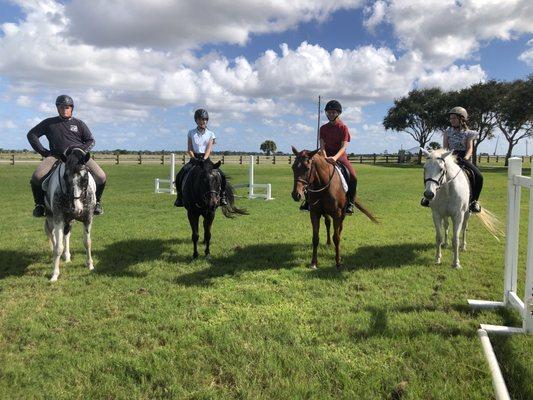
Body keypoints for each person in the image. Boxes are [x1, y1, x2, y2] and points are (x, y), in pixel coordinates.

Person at [27, 95, 107, 217]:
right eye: (61, 107)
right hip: (56, 156)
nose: (65, 109)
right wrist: (44, 152)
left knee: (101, 176)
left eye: (67, 107)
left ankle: (97, 203)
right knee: (37, 176)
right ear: (57, 108)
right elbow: (32, 135)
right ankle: (40, 205)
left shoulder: (79, 124)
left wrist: (81, 151)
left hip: (78, 157)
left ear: (72, 108)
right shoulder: (49, 123)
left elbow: (90, 140)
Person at [421, 106, 483, 213]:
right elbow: (445, 148)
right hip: (449, 158)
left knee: (479, 176)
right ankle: (428, 197)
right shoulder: (447, 132)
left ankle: (474, 202)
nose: (451, 120)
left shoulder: (469, 133)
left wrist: (465, 158)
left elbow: (469, 148)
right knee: (431, 172)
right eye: (451, 118)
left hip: (463, 158)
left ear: (462, 119)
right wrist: (445, 157)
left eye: (454, 118)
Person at [300, 99, 357, 214]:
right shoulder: (323, 128)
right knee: (310, 172)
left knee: (353, 176)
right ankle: (308, 202)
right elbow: (322, 146)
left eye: (333, 112)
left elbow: (343, 147)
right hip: (325, 155)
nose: (331, 114)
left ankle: (350, 203)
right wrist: (325, 157)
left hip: (339, 156)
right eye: (329, 112)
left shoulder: (343, 128)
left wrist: (335, 158)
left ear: (338, 113)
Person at [174, 108, 227, 207]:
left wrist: (204, 159)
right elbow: (189, 148)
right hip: (194, 159)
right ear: (196, 120)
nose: (202, 121)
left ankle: (222, 196)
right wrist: (193, 158)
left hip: (206, 159)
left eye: (204, 119)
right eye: (199, 119)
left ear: (207, 120)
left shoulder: (211, 134)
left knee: (221, 175)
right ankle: (179, 197)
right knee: (180, 174)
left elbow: (208, 149)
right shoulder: (191, 132)